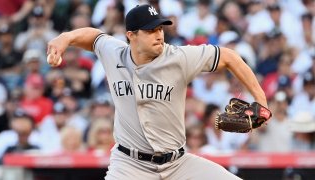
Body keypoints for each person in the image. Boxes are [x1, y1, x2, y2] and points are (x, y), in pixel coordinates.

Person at [47, 4, 269, 180]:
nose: (159, 35)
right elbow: (94, 37)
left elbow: (229, 57)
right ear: (131, 35)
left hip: (178, 164)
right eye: (151, 30)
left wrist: (260, 99)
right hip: (130, 165)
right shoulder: (115, 53)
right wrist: (64, 38)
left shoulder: (178, 57)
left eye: (160, 28)